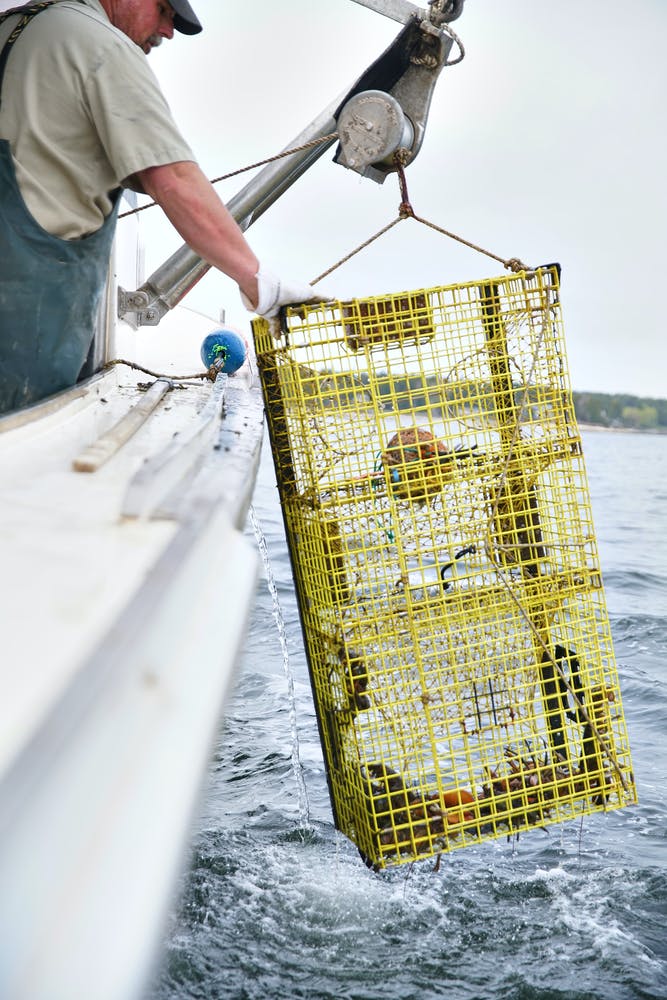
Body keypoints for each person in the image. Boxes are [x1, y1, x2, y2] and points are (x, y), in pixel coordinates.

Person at [0, 0, 317, 413]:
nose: (168, 31)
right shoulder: (105, 47)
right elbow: (173, 179)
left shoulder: (15, 25)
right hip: (23, 319)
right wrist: (262, 285)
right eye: (165, 10)